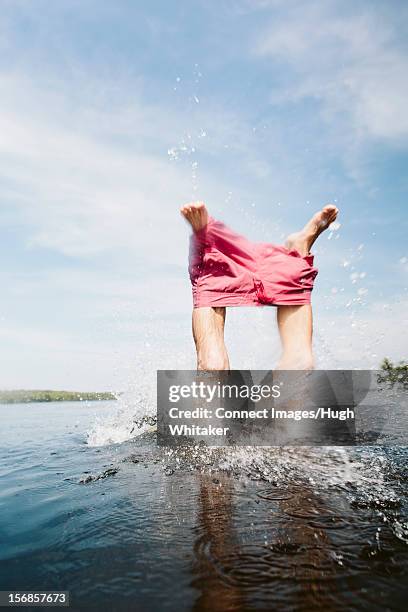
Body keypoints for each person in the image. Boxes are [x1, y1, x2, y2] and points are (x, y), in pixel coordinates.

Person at [181, 201, 338, 371]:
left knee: (300, 366)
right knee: (213, 365)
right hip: (222, 271)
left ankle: (297, 252)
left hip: (218, 271)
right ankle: (297, 253)